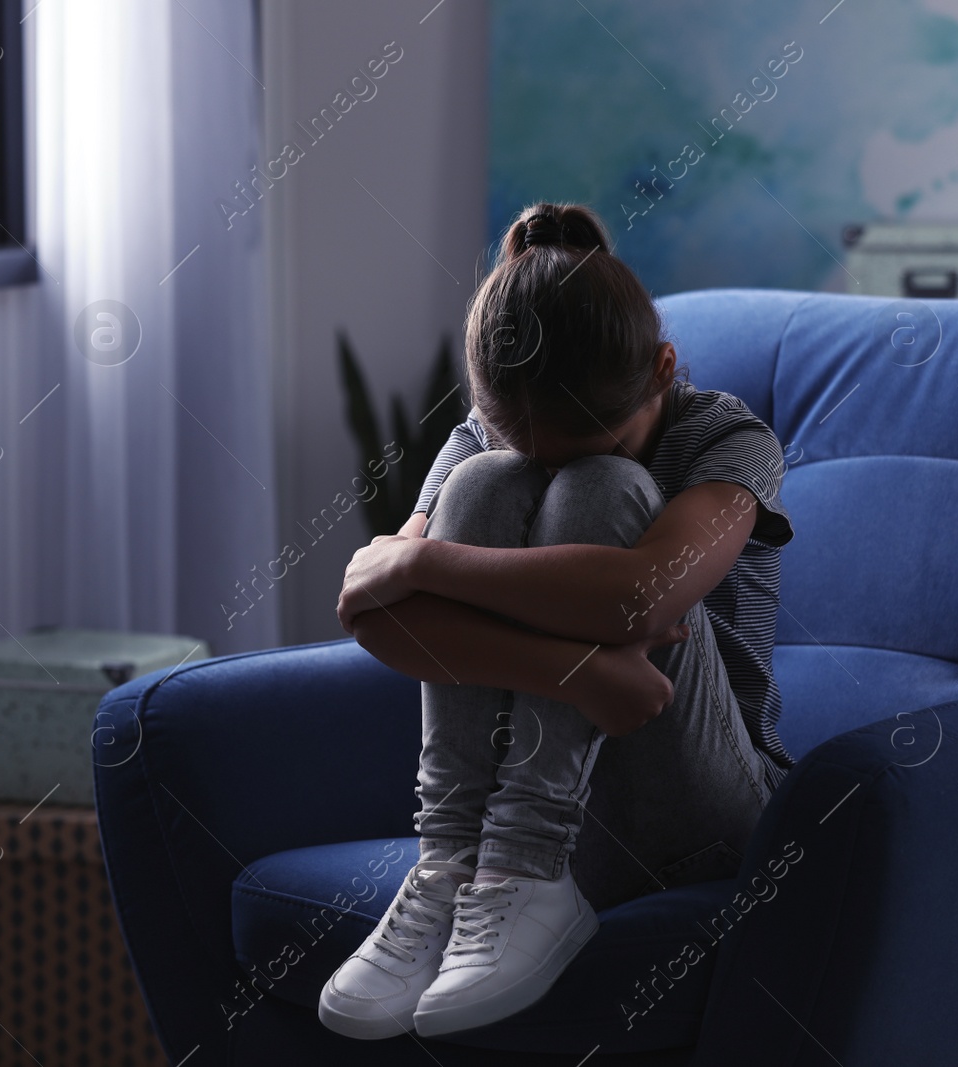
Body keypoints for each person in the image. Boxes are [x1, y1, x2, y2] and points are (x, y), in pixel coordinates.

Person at [317, 202, 795, 1040]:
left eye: (589, 435)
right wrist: (578, 672)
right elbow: (374, 614)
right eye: (521, 439)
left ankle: (524, 865)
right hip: (555, 806)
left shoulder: (727, 438)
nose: (546, 463)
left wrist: (427, 561)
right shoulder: (481, 441)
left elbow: (642, 597)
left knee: (600, 490)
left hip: (703, 810)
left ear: (662, 371)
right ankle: (455, 862)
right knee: (480, 486)